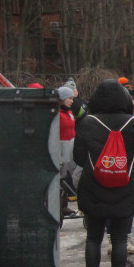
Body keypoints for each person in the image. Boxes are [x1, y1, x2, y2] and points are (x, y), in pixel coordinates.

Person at [72, 79, 134, 267]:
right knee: (119, 238)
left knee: (93, 237)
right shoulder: (133, 123)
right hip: (125, 188)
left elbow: (78, 157)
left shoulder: (87, 123)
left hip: (93, 188)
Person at [57, 83, 79, 220]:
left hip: (71, 144)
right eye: (69, 98)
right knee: (61, 177)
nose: (72, 101)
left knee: (73, 173)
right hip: (61, 147)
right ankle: (62, 205)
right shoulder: (57, 114)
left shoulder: (69, 112)